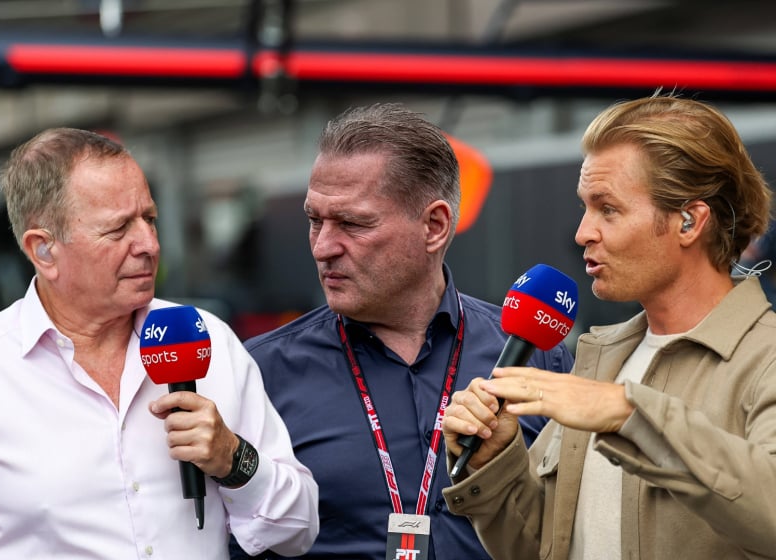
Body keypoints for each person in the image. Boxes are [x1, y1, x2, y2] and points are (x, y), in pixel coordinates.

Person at [229, 103, 574, 560]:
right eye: (315, 221)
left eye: (352, 223)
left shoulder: (539, 360)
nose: (323, 247)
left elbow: (572, 525)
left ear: (434, 226)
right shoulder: (260, 372)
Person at [441, 92, 776, 559]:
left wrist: (630, 413)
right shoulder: (599, 359)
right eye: (585, 207)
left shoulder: (766, 359)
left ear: (688, 222)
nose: (583, 233)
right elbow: (542, 547)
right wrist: (496, 461)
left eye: (608, 209)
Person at [0, 127, 319, 559]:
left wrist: (234, 460)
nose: (149, 245)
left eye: (150, 219)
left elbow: (298, 529)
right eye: (118, 229)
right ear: (44, 251)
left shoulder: (205, 336)